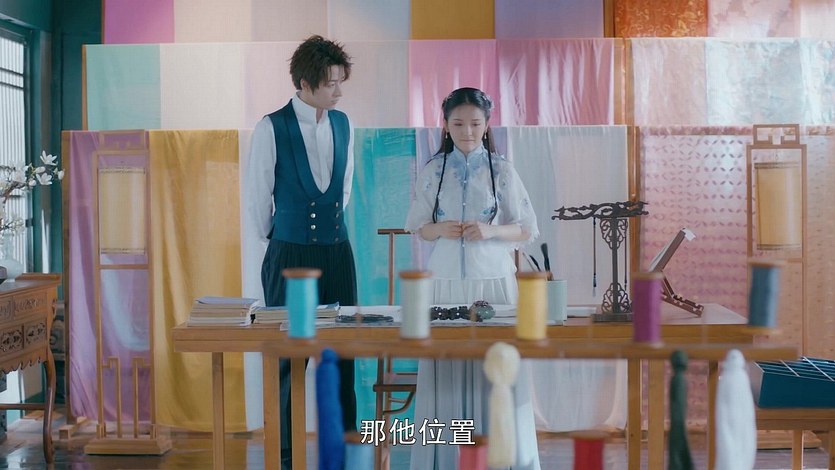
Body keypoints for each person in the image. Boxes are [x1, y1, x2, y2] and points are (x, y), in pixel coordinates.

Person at [405, 87, 541, 469]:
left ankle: (504, 459)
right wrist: (439, 228)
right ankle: (446, 460)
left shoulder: (503, 170)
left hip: (493, 285)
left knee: (497, 371)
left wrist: (491, 230)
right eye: (458, 123)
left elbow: (526, 228)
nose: (467, 131)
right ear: (446, 125)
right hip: (445, 286)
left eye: (475, 124)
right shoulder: (434, 170)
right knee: (445, 372)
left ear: (487, 124)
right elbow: (418, 226)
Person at [245, 35, 356, 470]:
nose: (339, 92)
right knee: (288, 358)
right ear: (306, 83)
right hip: (289, 257)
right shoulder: (271, 127)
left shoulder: (344, 123)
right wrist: (283, 239)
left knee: (343, 352)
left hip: (338, 253)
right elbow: (258, 200)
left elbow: (343, 190)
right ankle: (285, 455)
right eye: (331, 83)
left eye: (341, 82)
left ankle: (345, 451)